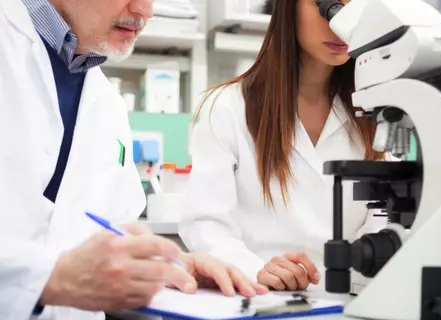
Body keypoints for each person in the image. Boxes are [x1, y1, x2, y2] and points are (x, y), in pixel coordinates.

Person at [0, 0, 266, 319]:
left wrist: (166, 268)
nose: (145, 10)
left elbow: (96, 237)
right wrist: (49, 278)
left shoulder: (107, 102)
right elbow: (57, 268)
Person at [179, 0, 388, 293]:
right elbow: (206, 225)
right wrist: (257, 271)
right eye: (329, 5)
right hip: (261, 296)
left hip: (351, 297)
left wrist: (362, 269)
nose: (340, 23)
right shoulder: (227, 107)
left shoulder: (375, 112)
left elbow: (383, 218)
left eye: (353, 8)